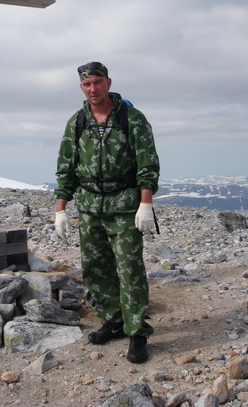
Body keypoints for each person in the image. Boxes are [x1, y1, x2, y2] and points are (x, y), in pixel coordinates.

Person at [54, 61, 160, 363]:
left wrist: (146, 204)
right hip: (89, 208)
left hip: (124, 205)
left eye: (98, 82)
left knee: (129, 268)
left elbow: (148, 164)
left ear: (108, 83)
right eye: (87, 84)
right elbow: (66, 167)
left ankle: (137, 331)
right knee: (95, 267)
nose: (93, 89)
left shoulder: (132, 118)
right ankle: (114, 320)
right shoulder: (77, 122)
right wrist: (61, 209)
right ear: (81, 87)